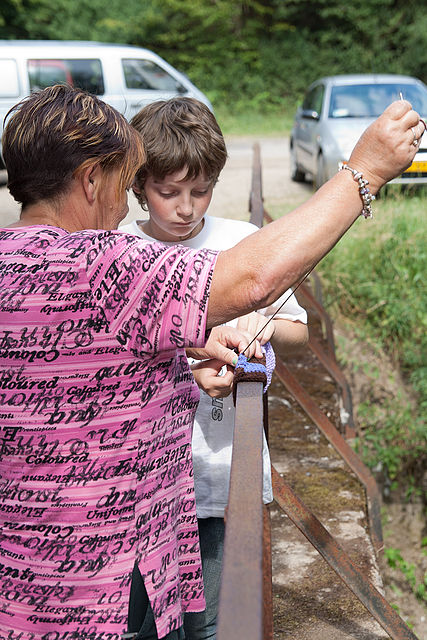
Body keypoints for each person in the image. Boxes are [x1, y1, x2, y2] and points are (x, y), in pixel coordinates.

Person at [0, 84, 423, 640]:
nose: (124, 207)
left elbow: (78, 369)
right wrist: (364, 170)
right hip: (102, 586)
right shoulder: (106, 263)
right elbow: (254, 280)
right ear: (90, 179)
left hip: (20, 580)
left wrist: (185, 355)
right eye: (125, 185)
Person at [120, 97, 309, 640]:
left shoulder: (241, 243)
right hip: (139, 489)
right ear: (139, 186)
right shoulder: (120, 250)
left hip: (217, 478)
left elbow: (297, 329)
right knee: (139, 625)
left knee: (209, 624)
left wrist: (262, 325)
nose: (186, 208)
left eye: (200, 191)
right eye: (168, 192)